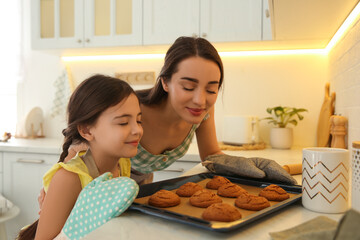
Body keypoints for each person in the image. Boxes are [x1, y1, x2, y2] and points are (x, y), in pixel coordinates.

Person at [38, 36, 296, 210]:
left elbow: (211, 155)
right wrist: (57, 198)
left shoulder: (202, 111)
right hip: (98, 195)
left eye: (212, 88)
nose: (200, 99)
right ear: (165, 82)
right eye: (188, 86)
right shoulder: (132, 111)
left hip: (141, 193)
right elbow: (79, 159)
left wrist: (248, 165)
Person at [18, 74, 143, 239]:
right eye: (123, 123)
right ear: (86, 130)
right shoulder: (69, 178)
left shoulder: (123, 163)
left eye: (139, 120)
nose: (137, 130)